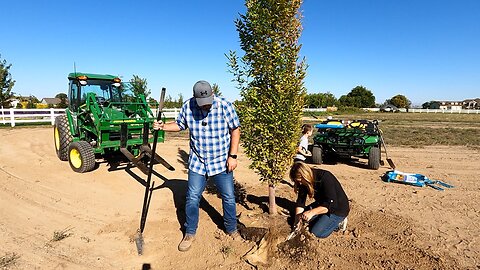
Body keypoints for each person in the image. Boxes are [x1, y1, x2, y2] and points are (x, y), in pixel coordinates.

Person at [153, 80, 241, 252]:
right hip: (198, 162)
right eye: (202, 104)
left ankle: (231, 229)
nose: (205, 107)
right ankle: (190, 232)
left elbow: (235, 130)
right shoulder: (188, 106)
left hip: (221, 161)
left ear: (213, 95)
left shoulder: (225, 106)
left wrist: (233, 156)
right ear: (195, 98)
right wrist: (162, 127)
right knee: (192, 197)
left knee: (229, 197)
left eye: (208, 103)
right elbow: (180, 124)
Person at [289, 162, 349, 238]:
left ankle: (338, 224)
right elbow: (300, 202)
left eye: (300, 181)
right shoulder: (303, 183)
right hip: (322, 204)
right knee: (302, 217)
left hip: (337, 209)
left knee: (315, 232)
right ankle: (321, 219)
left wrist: (312, 212)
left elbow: (330, 204)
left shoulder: (325, 177)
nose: (299, 184)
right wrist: (297, 221)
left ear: (304, 176)